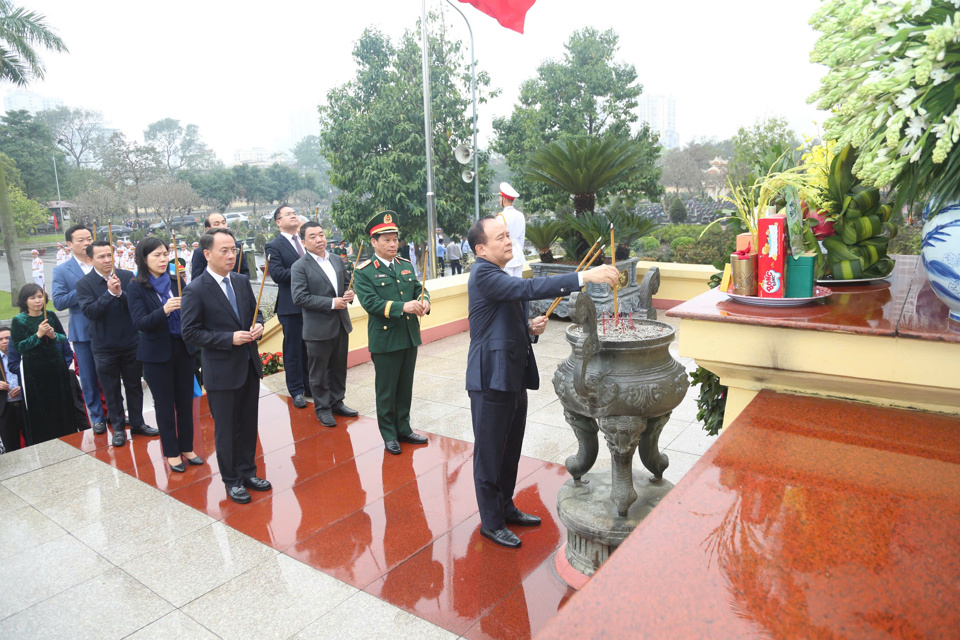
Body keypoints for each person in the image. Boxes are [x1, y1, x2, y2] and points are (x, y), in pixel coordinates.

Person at [465, 215, 619, 548]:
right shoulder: (483, 274)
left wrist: (528, 328)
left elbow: (504, 316)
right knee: (490, 453)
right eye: (500, 238)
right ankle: (491, 523)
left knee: (509, 450)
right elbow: (527, 288)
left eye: (509, 235)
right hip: (490, 377)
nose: (509, 241)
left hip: (511, 374)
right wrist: (583, 276)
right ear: (481, 248)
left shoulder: (499, 274)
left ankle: (505, 507)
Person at [181, 228, 268, 504]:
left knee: (248, 422)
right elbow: (191, 333)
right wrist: (229, 338)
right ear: (207, 254)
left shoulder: (241, 282)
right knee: (227, 428)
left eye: (234, 250)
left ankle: (248, 470)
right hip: (221, 370)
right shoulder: (196, 289)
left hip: (248, 365)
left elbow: (257, 312)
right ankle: (232, 480)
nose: (231, 255)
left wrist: (258, 326)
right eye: (224, 251)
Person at [353, 211, 430, 455]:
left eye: (395, 238)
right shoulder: (363, 271)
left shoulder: (405, 266)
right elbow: (371, 304)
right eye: (386, 239)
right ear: (373, 242)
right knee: (386, 390)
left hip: (408, 335)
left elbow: (420, 289)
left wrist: (424, 302)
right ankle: (389, 434)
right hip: (385, 339)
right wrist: (403, 307)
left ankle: (404, 428)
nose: (393, 243)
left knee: (405, 387)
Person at [127, 238, 202, 473]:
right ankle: (171, 452)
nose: (162, 259)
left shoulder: (175, 280)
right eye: (156, 255)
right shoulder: (136, 287)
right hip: (156, 354)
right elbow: (140, 322)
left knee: (185, 401)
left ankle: (188, 447)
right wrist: (165, 310)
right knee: (165, 404)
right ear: (143, 259)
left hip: (182, 348)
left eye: (165, 254)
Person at [76, 240, 159, 447]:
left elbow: (136, 306)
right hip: (104, 347)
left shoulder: (126, 277)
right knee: (112, 390)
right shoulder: (84, 284)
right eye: (101, 257)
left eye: (108, 255)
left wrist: (121, 293)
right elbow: (91, 312)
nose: (106, 260)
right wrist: (109, 294)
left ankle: (138, 423)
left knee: (134, 386)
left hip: (130, 342)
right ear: (90, 260)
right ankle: (119, 428)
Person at [291, 222, 358, 427]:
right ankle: (323, 408)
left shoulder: (336, 260)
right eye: (312, 236)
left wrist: (349, 294)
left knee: (338, 368)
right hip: (317, 328)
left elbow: (346, 283)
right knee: (318, 372)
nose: (319, 239)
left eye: (321, 234)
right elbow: (299, 298)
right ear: (303, 242)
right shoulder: (300, 266)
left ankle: (337, 402)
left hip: (340, 324)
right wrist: (331, 303)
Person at [52, 225, 108, 434]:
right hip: (83, 331)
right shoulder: (62, 270)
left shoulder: (103, 262)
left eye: (89, 238)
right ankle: (97, 417)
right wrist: (84, 287)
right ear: (69, 245)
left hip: (108, 327)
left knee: (111, 373)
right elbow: (58, 301)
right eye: (81, 240)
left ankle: (115, 411)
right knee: (88, 375)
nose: (86, 243)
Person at [9, 284, 78, 445]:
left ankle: (68, 436)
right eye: (32, 298)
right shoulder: (19, 321)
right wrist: (38, 334)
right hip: (33, 371)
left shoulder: (51, 315)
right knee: (40, 408)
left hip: (55, 365)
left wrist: (53, 335)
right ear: (25, 301)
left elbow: (62, 338)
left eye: (40, 296)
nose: (37, 301)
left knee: (61, 403)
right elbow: (19, 346)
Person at [266, 204, 311, 409]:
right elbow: (277, 274)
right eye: (288, 214)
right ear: (278, 222)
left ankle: (310, 385)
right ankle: (296, 390)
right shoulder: (274, 245)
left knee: (310, 348)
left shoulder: (305, 241)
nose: (293, 215)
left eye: (295, 213)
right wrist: (304, 270)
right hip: (290, 306)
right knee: (293, 350)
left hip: (312, 304)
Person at [190, 213, 249, 281]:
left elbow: (245, 272)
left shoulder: (237, 246)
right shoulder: (200, 252)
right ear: (208, 229)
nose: (222, 226)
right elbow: (196, 280)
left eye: (224, 223)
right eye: (217, 224)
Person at [0, 325, 25, 452]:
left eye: (7, 338)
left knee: (33, 441)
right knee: (11, 447)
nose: (4, 341)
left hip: (26, 405)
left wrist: (23, 387)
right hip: (5, 409)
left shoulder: (24, 354)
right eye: (0, 339)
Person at [498, 182, 526, 278]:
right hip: (518, 253)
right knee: (518, 284)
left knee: (507, 285)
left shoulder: (501, 216)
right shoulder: (520, 215)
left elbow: (498, 238)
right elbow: (522, 237)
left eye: (500, 197)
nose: (499, 199)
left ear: (504, 199)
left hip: (506, 254)